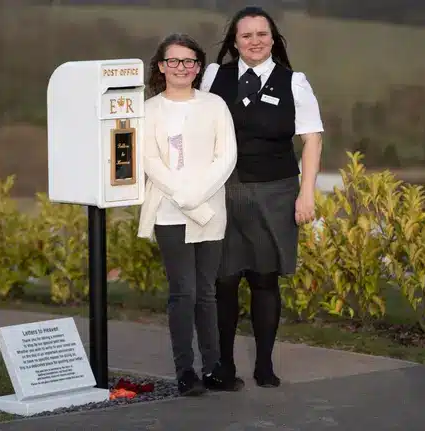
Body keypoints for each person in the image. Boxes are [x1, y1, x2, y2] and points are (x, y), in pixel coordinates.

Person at [199, 6, 324, 388]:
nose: (255, 41)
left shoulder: (295, 82)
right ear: (234, 43)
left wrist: (307, 194)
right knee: (223, 281)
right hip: (224, 191)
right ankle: (223, 366)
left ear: (274, 39)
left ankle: (265, 366)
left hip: (275, 192)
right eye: (246, 35)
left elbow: (312, 139)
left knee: (264, 279)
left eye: (262, 34)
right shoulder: (213, 77)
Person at [137, 33, 241, 396]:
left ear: (198, 67)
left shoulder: (215, 106)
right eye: (173, 61)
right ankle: (186, 372)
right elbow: (149, 161)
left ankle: (213, 367)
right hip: (169, 212)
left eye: (189, 61)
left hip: (211, 210)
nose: (181, 67)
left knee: (207, 295)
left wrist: (196, 198)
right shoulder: (148, 111)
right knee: (183, 292)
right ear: (161, 67)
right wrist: (184, 198)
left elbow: (225, 157)